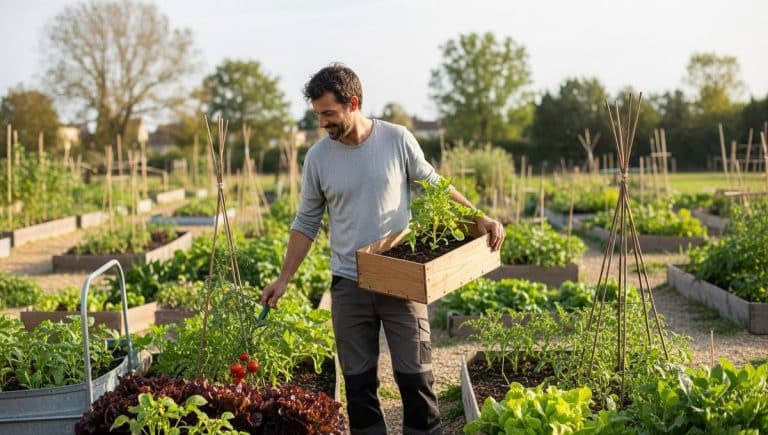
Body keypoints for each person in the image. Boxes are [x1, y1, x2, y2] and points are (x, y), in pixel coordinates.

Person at [261, 63, 504, 435]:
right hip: (348, 282)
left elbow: (435, 185)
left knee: (417, 379)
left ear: (353, 103)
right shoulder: (318, 158)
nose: (322, 123)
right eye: (318, 115)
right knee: (358, 387)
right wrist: (284, 278)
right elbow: (306, 222)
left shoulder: (396, 139)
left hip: (402, 278)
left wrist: (480, 217)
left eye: (328, 113)